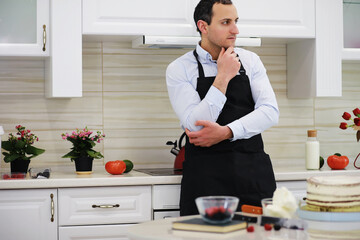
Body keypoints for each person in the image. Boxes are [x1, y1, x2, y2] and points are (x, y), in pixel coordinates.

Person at [166, 0, 279, 216]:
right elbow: (196, 126)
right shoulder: (179, 69)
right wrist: (223, 76)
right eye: (226, 22)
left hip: (253, 177)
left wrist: (227, 132)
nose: (235, 30)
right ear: (203, 26)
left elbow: (270, 112)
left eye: (235, 21)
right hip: (205, 180)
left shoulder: (250, 61)